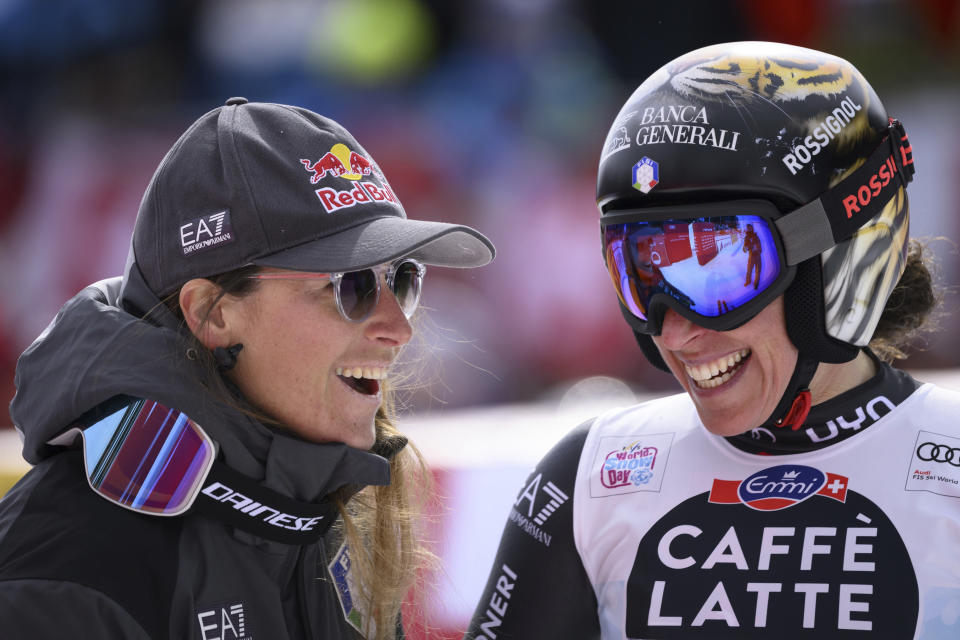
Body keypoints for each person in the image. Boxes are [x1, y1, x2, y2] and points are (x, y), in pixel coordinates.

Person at [466, 41, 960, 639]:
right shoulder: (591, 475)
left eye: (718, 270)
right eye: (641, 272)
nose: (674, 328)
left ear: (837, 257)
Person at [0, 98, 494, 639]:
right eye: (351, 286)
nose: (398, 328)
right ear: (213, 313)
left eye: (402, 278)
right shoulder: (67, 578)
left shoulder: (321, 510)